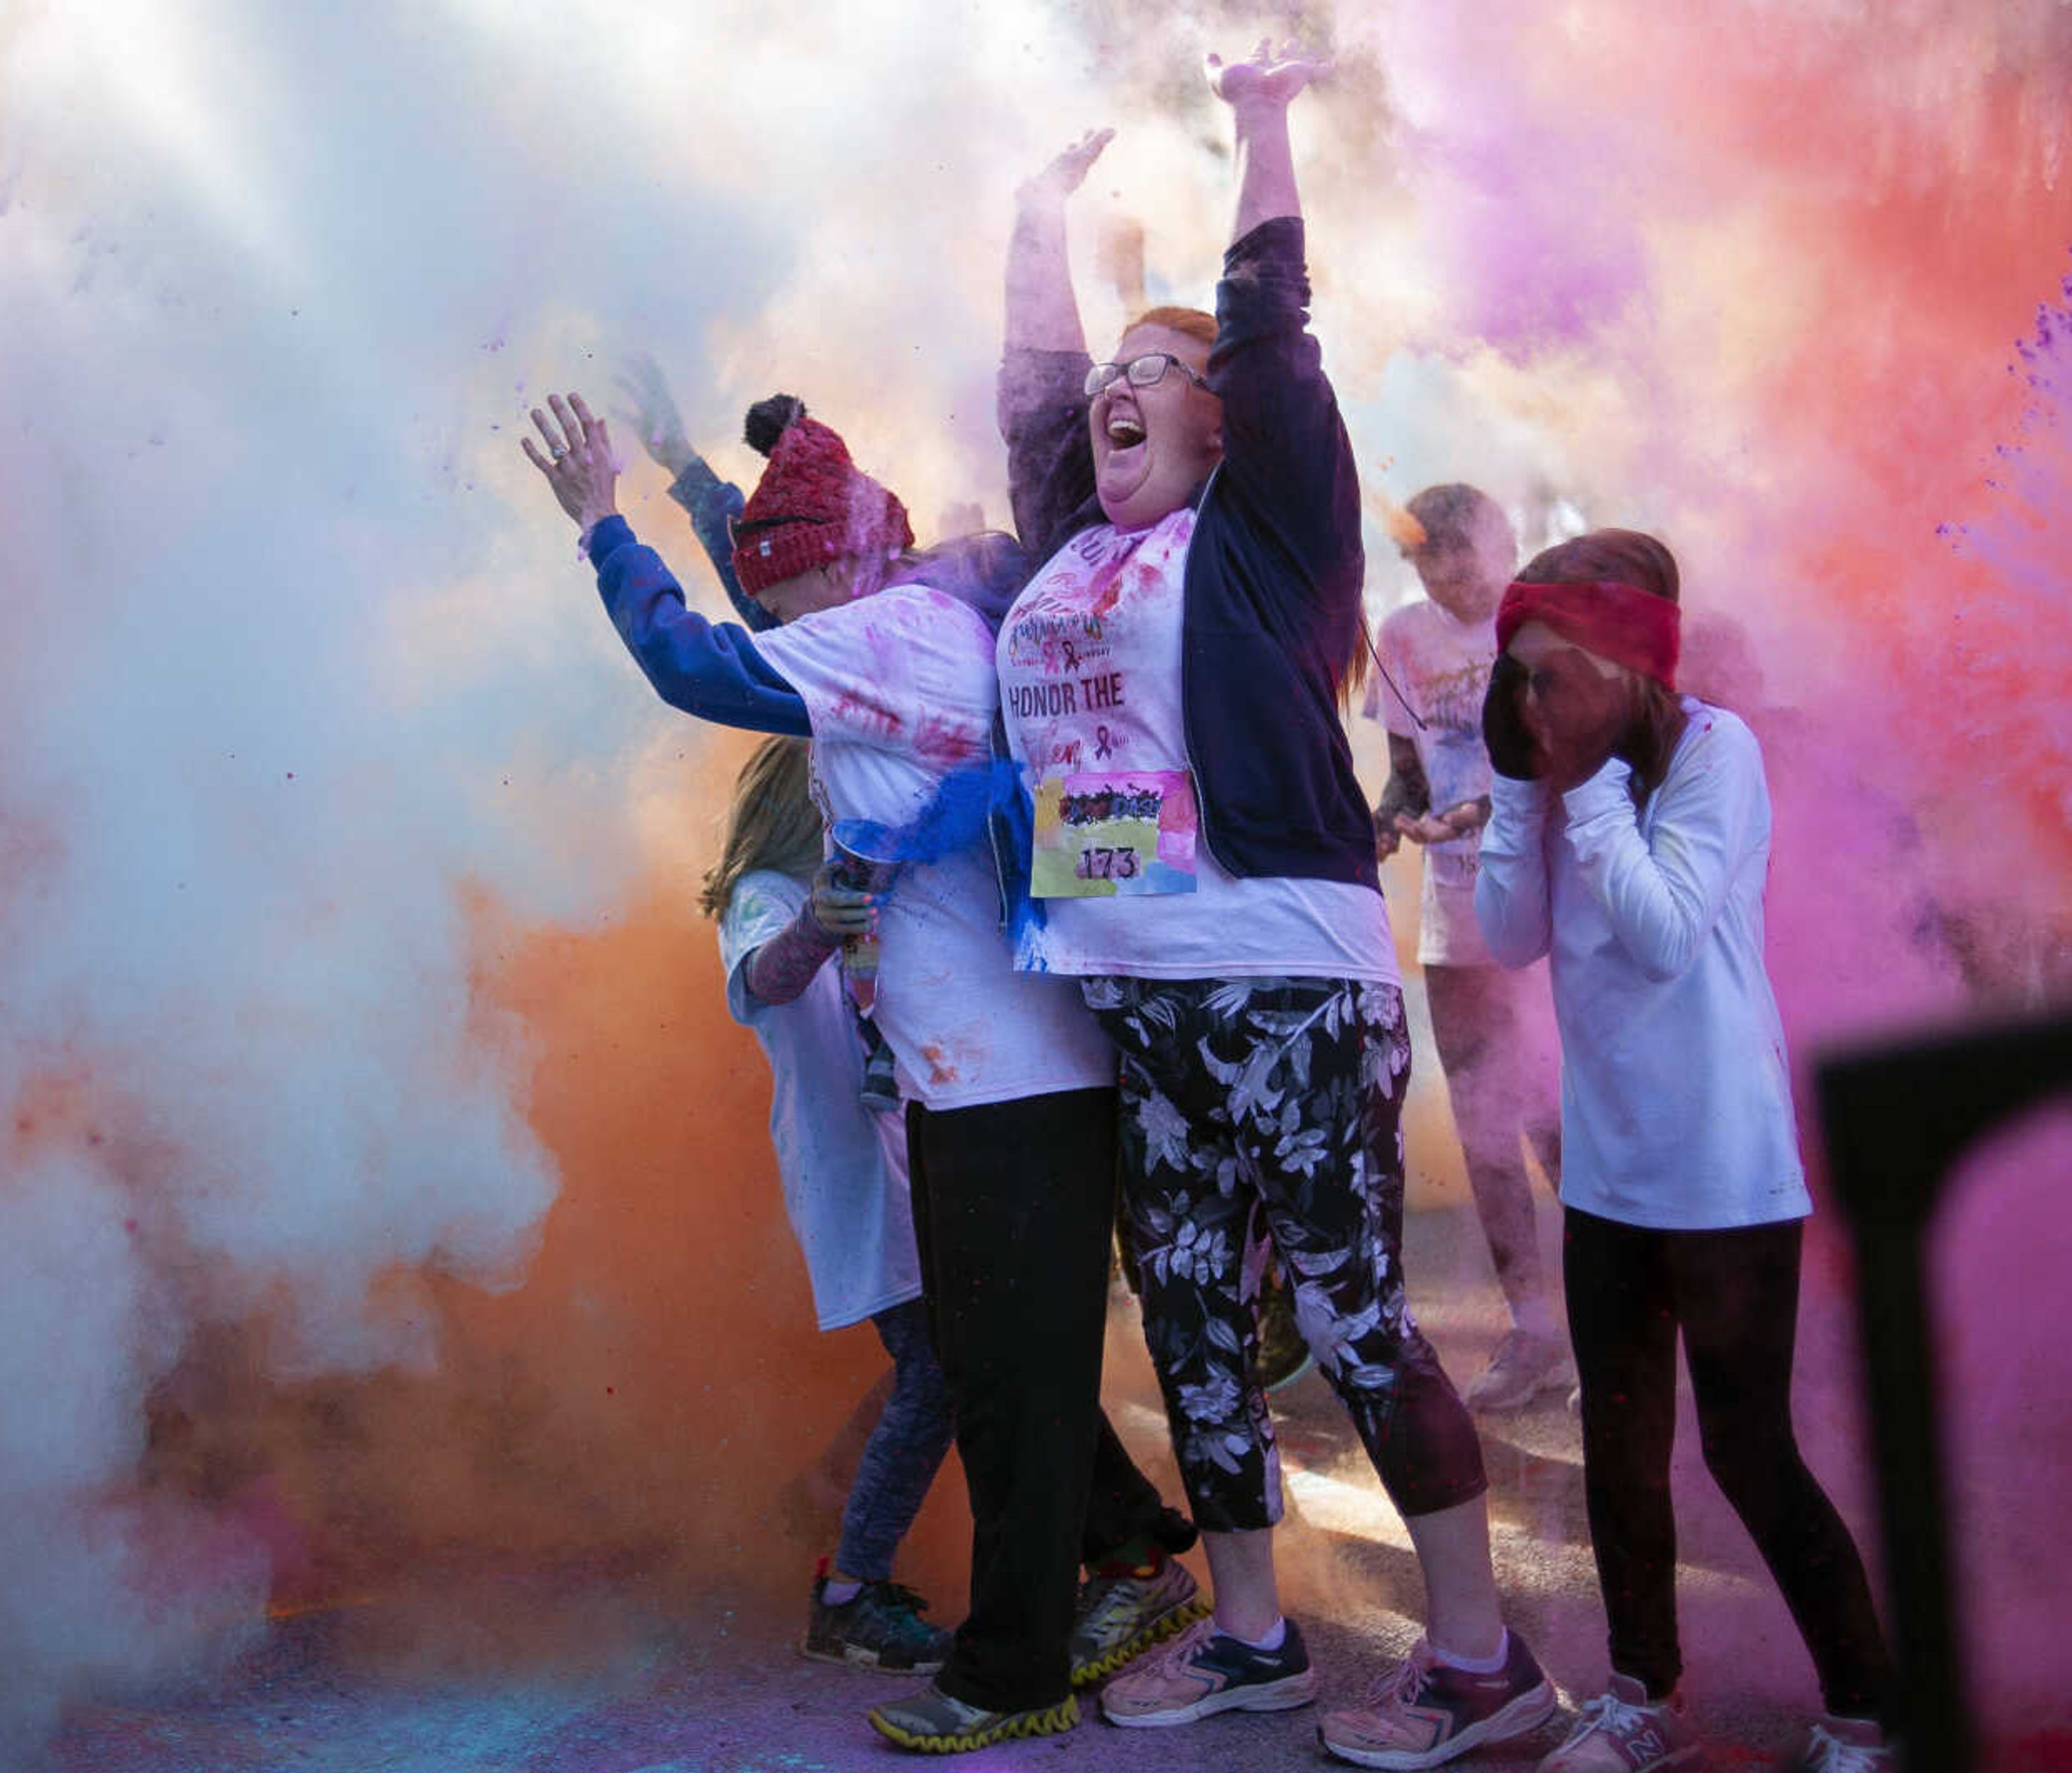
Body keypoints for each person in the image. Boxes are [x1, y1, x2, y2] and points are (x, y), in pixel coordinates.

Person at [993, 44, 1552, 1768]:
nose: (1120, 388)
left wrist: (1261, 126)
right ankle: (1252, 1639)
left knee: (1354, 1317)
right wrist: (1034, 225)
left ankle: (1482, 1666)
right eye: (1115, 370)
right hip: (1136, 990)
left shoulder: (1269, 534)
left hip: (1286, 987)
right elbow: (1028, 401)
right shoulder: (1074, 546)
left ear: (1225, 416)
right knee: (1181, 1313)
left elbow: (1269, 330)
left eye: (1161, 372)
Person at [523, 392, 1198, 1754]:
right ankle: (1112, 1591)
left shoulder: (894, 630)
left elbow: (699, 661)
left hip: (1011, 1079)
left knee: (1006, 1379)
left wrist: (602, 525)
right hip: (989, 1072)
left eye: (794, 582)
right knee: (1001, 1372)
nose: (786, 616)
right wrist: (700, 469)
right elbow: (760, 593)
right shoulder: (915, 619)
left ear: (842, 567)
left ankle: (1021, 1669)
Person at [1473, 530, 1898, 1773]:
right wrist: (1514, 793)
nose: (1534, 698)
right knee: (1618, 1448)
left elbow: (1662, 934)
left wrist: (1591, 786)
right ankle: (1640, 1698)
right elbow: (1507, 939)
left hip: (1724, 1169)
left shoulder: (1718, 750)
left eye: (1556, 672)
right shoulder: (1553, 772)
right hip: (1608, 1172)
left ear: (1627, 670)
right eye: (1521, 676)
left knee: (1747, 1448)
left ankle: (1871, 1710)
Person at [700, 733, 956, 1674]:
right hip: (852, 1173)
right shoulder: (761, 895)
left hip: (904, 1156)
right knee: (937, 1369)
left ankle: (822, 1492)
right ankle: (848, 1594)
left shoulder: (869, 890)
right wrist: (819, 922)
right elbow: (768, 976)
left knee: (944, 1355)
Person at [1370, 483, 1570, 1412]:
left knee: (1566, 1127)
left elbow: (1580, 763)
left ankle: (1626, 1324)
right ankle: (1533, 1333)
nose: (1448, 575)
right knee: (1488, 1130)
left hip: (1552, 917)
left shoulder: (1543, 622)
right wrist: (1388, 820)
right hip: (1458, 926)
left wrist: (1490, 810)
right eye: (1427, 558)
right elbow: (1405, 774)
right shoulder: (1403, 637)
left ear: (1502, 539)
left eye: (1462, 551)